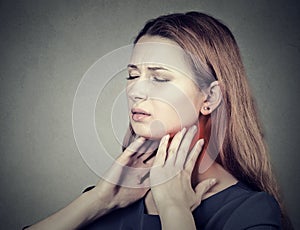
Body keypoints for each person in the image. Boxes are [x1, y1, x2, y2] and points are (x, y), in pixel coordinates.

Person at [24, 12, 293, 230]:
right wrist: (97, 201)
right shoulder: (110, 201)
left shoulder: (249, 213)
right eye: (132, 76)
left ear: (210, 97)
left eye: (160, 78)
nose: (134, 91)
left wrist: (174, 210)